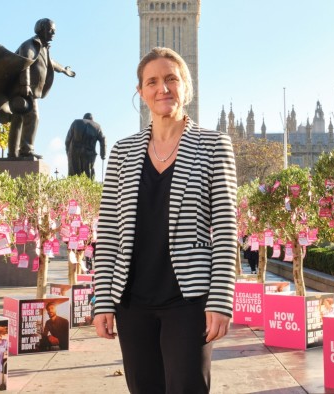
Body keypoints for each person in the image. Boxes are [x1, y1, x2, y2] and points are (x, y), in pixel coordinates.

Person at [92, 47, 238, 393]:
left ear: (187, 87)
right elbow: (110, 231)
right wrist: (102, 300)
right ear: (141, 92)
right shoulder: (122, 152)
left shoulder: (214, 145)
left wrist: (221, 300)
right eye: (153, 81)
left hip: (189, 300)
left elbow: (227, 227)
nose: (163, 89)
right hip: (132, 300)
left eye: (172, 79)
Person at [6, 18, 75, 159]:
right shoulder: (30, 45)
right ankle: (26, 151)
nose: (54, 32)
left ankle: (13, 153)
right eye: (51, 29)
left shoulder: (43, 48)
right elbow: (24, 63)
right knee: (33, 117)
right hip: (24, 88)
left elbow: (51, 63)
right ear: (41, 29)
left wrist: (64, 70)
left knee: (18, 119)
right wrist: (25, 84)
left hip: (28, 89)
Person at [66, 113, 107, 178]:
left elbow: (67, 140)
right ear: (92, 119)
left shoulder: (76, 123)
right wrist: (103, 155)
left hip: (74, 154)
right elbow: (103, 139)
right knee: (88, 177)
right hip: (89, 155)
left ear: (84, 118)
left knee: (74, 176)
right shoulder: (97, 126)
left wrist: (68, 153)